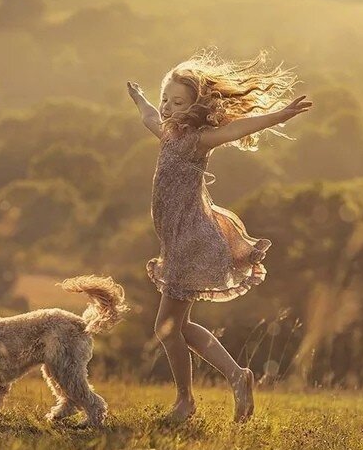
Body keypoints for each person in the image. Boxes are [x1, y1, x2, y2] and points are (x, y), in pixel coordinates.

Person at [127, 48, 312, 422]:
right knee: (178, 327)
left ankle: (186, 402)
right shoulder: (166, 132)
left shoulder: (198, 140)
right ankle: (237, 376)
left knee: (166, 328)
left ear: (195, 106)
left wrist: (281, 114)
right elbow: (148, 114)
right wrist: (141, 98)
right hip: (177, 240)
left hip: (192, 240)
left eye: (177, 102)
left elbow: (236, 130)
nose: (167, 107)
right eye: (166, 99)